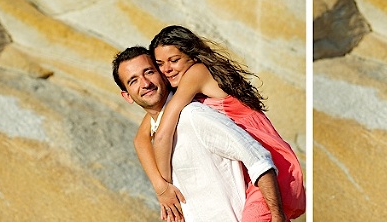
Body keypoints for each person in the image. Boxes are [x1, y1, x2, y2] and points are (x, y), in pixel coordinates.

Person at [142, 25, 305, 221]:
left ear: (192, 56)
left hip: (268, 165)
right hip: (253, 168)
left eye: (174, 60)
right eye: (160, 64)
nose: (167, 69)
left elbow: (161, 135)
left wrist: (165, 190)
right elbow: (140, 137)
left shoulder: (196, 73)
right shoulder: (185, 84)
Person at [112, 47, 284, 222]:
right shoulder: (153, 133)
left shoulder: (193, 116)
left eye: (149, 72)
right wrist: (162, 189)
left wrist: (277, 216)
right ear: (127, 96)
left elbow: (258, 158)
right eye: (133, 80)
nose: (145, 83)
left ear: (163, 74)